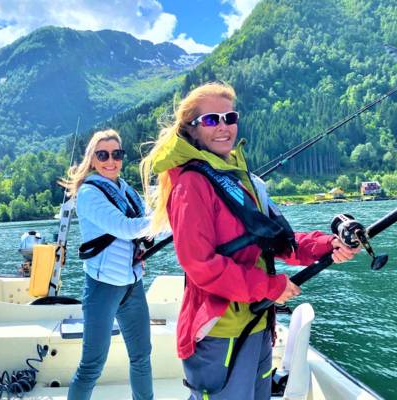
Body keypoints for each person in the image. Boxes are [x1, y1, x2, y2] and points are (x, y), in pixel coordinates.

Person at [140, 82, 359, 400]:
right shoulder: (190, 185)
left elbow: (279, 240)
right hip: (220, 330)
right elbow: (200, 265)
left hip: (258, 322)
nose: (224, 126)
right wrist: (270, 287)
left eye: (230, 117)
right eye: (212, 120)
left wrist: (326, 246)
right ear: (192, 130)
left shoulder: (241, 179)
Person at [61, 129, 153, 400]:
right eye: (102, 154)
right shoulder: (89, 194)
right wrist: (166, 218)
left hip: (132, 286)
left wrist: (163, 222)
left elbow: (147, 227)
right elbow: (125, 228)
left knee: (141, 357)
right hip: (102, 288)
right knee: (92, 365)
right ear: (92, 159)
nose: (110, 160)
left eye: (116, 154)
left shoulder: (127, 190)